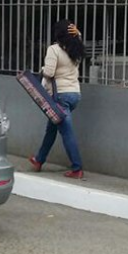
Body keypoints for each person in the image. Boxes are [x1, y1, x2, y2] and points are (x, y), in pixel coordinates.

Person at [28, 19, 86, 179]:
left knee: (67, 132)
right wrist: (78, 33)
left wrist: (42, 69)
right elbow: (78, 38)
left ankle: (77, 168)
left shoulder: (54, 49)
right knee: (52, 128)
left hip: (60, 96)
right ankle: (39, 159)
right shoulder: (76, 47)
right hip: (75, 94)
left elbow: (49, 73)